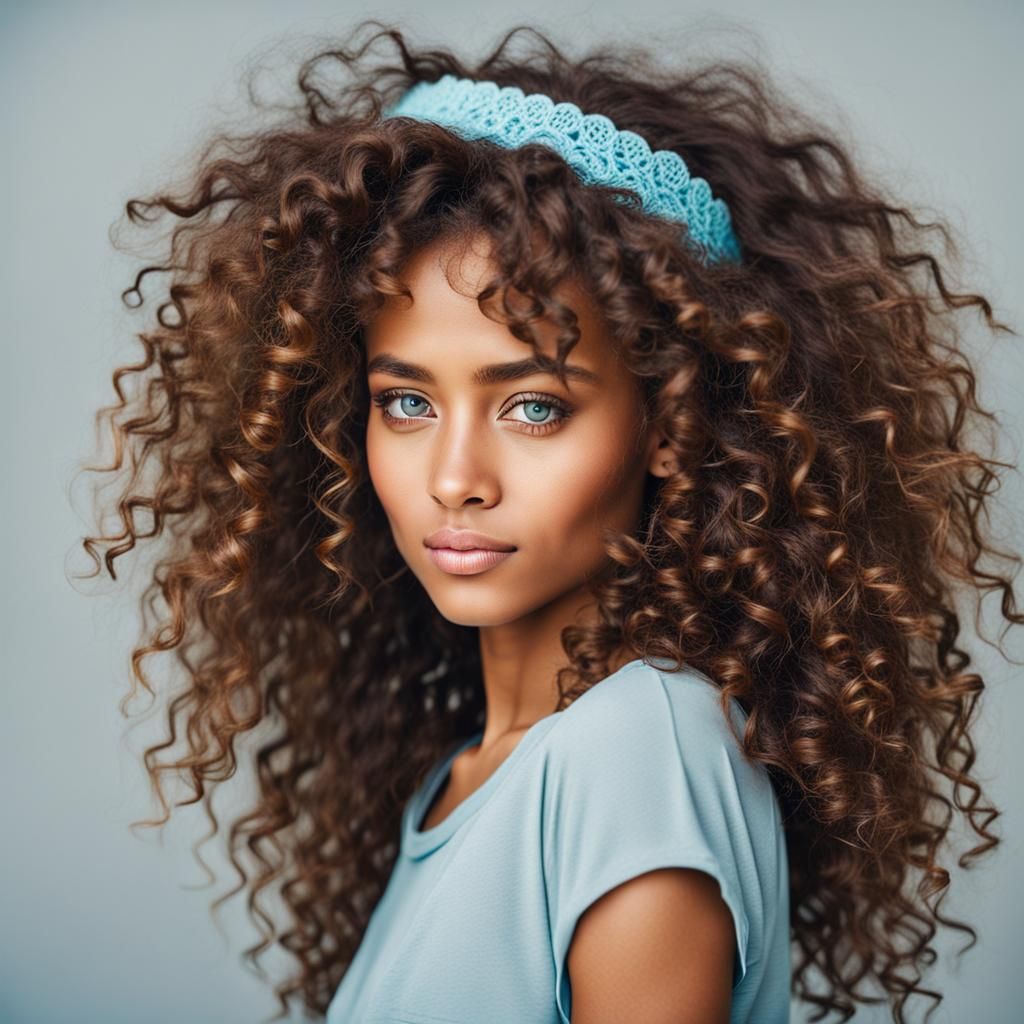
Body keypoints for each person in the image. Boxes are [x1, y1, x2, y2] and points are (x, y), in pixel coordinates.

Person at [76, 18, 1015, 1024]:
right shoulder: (481, 772)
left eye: (534, 406)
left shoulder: (634, 755)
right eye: (406, 402)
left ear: (667, 422)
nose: (455, 477)